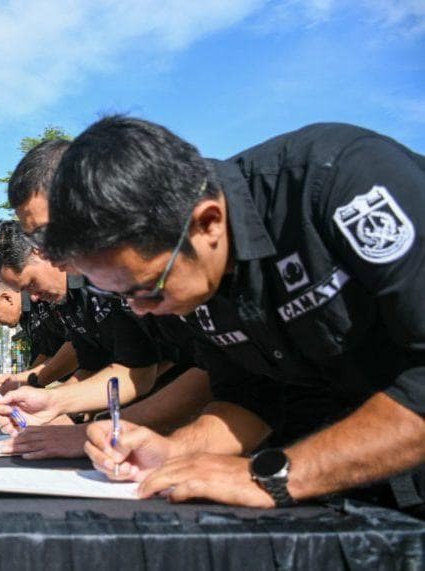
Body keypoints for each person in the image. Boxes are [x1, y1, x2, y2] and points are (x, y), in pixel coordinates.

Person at [41, 116, 425, 513]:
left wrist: (279, 476)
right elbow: (249, 398)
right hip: (350, 484)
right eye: (120, 295)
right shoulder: (193, 278)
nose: (141, 309)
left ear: (208, 223)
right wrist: (173, 451)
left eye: (149, 288)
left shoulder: (341, 181)